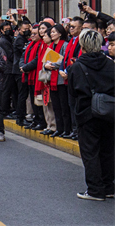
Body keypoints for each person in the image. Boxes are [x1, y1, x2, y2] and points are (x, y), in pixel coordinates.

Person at [66, 29, 115, 201]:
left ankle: (95, 189)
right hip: (109, 113)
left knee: (90, 152)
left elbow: (72, 93)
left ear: (82, 46)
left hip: (86, 113)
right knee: (108, 151)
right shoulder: (111, 64)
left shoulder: (76, 67)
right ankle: (109, 186)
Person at [44, 24, 72, 138]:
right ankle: (59, 128)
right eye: (51, 32)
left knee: (64, 106)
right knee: (56, 106)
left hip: (61, 79)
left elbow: (65, 60)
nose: (52, 34)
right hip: (52, 79)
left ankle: (66, 129)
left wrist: (53, 65)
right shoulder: (50, 46)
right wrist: (46, 65)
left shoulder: (64, 45)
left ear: (60, 33)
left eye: (54, 32)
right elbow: (45, 60)